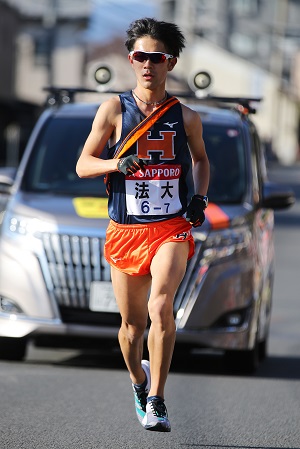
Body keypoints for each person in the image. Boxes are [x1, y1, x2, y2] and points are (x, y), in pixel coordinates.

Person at [76, 17, 210, 433]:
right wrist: (117, 163)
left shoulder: (186, 117)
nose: (147, 64)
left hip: (170, 227)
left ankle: (158, 400)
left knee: (160, 307)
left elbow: (202, 160)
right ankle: (139, 382)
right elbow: (83, 165)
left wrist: (199, 198)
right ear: (130, 60)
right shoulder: (114, 109)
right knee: (132, 328)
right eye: (139, 56)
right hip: (126, 230)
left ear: (170, 61)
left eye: (156, 57)